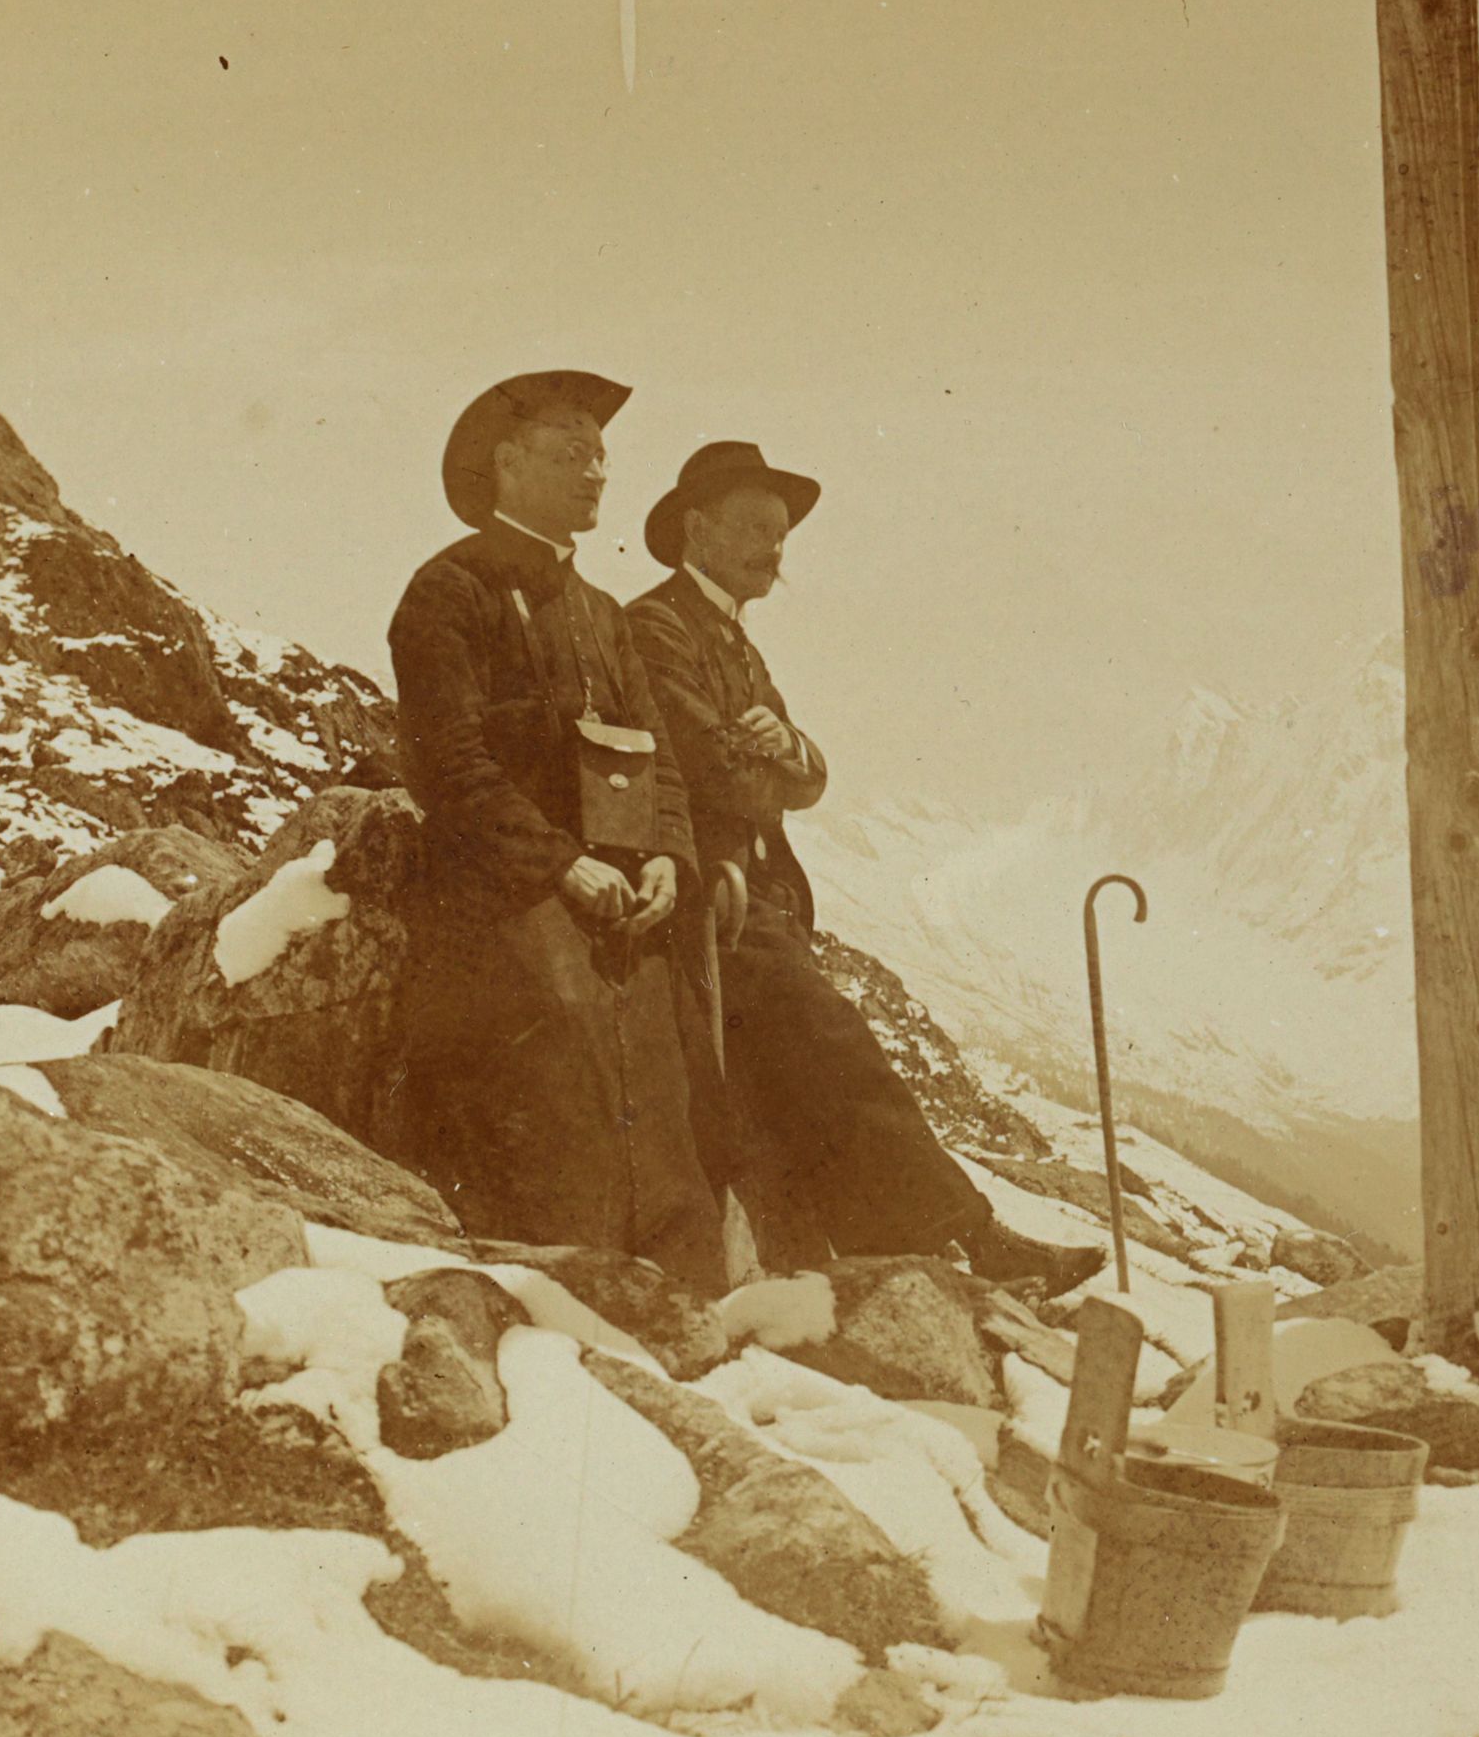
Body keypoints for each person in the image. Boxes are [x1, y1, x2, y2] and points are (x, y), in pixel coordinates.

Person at [624, 440, 1103, 1295]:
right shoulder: (657, 626)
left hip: (758, 894)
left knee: (821, 1046)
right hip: (712, 894)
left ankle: (913, 1247)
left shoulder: (736, 644)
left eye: (780, 532)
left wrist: (783, 747)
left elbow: (810, 779)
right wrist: (772, 760)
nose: (774, 549)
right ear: (696, 529)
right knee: (834, 1038)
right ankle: (971, 1237)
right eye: (754, 527)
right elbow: (711, 770)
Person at [381, 372, 724, 1291]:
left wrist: (666, 857)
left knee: (675, 1072)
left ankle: (683, 1303)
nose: (597, 474)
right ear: (505, 463)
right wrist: (560, 866)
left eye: (601, 456)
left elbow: (659, 761)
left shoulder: (604, 616)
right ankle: (567, 1297)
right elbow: (449, 765)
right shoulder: (448, 590)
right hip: (496, 894)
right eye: (572, 454)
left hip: (612, 898)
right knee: (565, 1060)